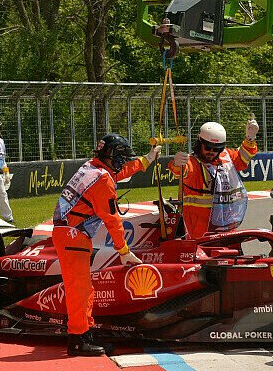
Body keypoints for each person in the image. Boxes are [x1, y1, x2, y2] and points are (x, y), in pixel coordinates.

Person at [53, 134, 160, 356]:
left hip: (70, 234)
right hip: (74, 236)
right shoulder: (102, 180)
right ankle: (78, 339)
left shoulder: (93, 168)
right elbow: (112, 219)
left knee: (84, 290)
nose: (122, 162)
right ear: (110, 155)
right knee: (80, 291)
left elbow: (120, 172)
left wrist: (146, 160)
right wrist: (124, 251)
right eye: (120, 157)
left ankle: (85, 333)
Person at [168, 118, 259, 239]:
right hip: (200, 232)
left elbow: (242, 157)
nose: (211, 152)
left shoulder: (226, 156)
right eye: (207, 148)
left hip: (228, 226)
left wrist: (250, 139)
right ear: (200, 143)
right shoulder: (193, 163)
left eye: (216, 149)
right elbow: (182, 172)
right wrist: (176, 164)